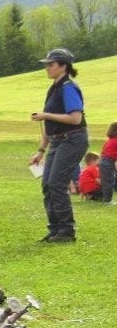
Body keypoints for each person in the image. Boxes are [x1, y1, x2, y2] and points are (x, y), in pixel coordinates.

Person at [30, 47, 88, 243]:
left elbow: (75, 118)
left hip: (73, 139)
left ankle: (66, 230)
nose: (47, 67)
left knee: (56, 183)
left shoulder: (68, 87)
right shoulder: (54, 88)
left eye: (51, 64)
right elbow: (49, 125)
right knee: (47, 184)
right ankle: (55, 229)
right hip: (57, 140)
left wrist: (45, 115)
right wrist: (40, 151)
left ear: (63, 66)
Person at [98, 122, 117, 204]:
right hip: (108, 162)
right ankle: (107, 200)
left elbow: (104, 151)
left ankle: (106, 199)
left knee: (106, 181)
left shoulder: (109, 141)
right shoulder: (115, 141)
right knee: (109, 182)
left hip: (103, 161)